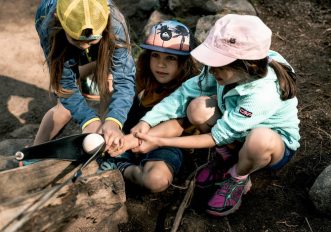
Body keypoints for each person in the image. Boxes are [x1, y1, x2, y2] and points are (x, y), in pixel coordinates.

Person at [118, 14, 300, 216]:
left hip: (272, 145)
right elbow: (186, 92)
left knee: (259, 139)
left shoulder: (262, 93)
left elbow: (216, 137)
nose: (211, 70)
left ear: (246, 66)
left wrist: (159, 140)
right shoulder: (228, 70)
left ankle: (238, 176)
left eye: (219, 65)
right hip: (237, 131)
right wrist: (147, 121)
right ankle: (227, 158)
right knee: (197, 107)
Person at [100, 20, 200, 193]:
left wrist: (133, 141)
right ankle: (108, 152)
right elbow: (121, 95)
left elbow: (177, 126)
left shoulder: (194, 85)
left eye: (170, 58)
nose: (161, 64)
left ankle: (121, 167)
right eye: (155, 55)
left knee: (156, 180)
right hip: (133, 129)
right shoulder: (145, 71)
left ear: (184, 62)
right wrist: (110, 125)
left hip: (167, 142)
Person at [33, 0, 136, 152]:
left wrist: (114, 121)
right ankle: (35, 151)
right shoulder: (48, 24)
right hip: (57, 30)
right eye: (78, 40)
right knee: (66, 102)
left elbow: (124, 78)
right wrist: (88, 121)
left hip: (103, 34)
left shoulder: (115, 22)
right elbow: (65, 84)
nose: (85, 46)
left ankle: (104, 128)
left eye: (91, 41)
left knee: (109, 81)